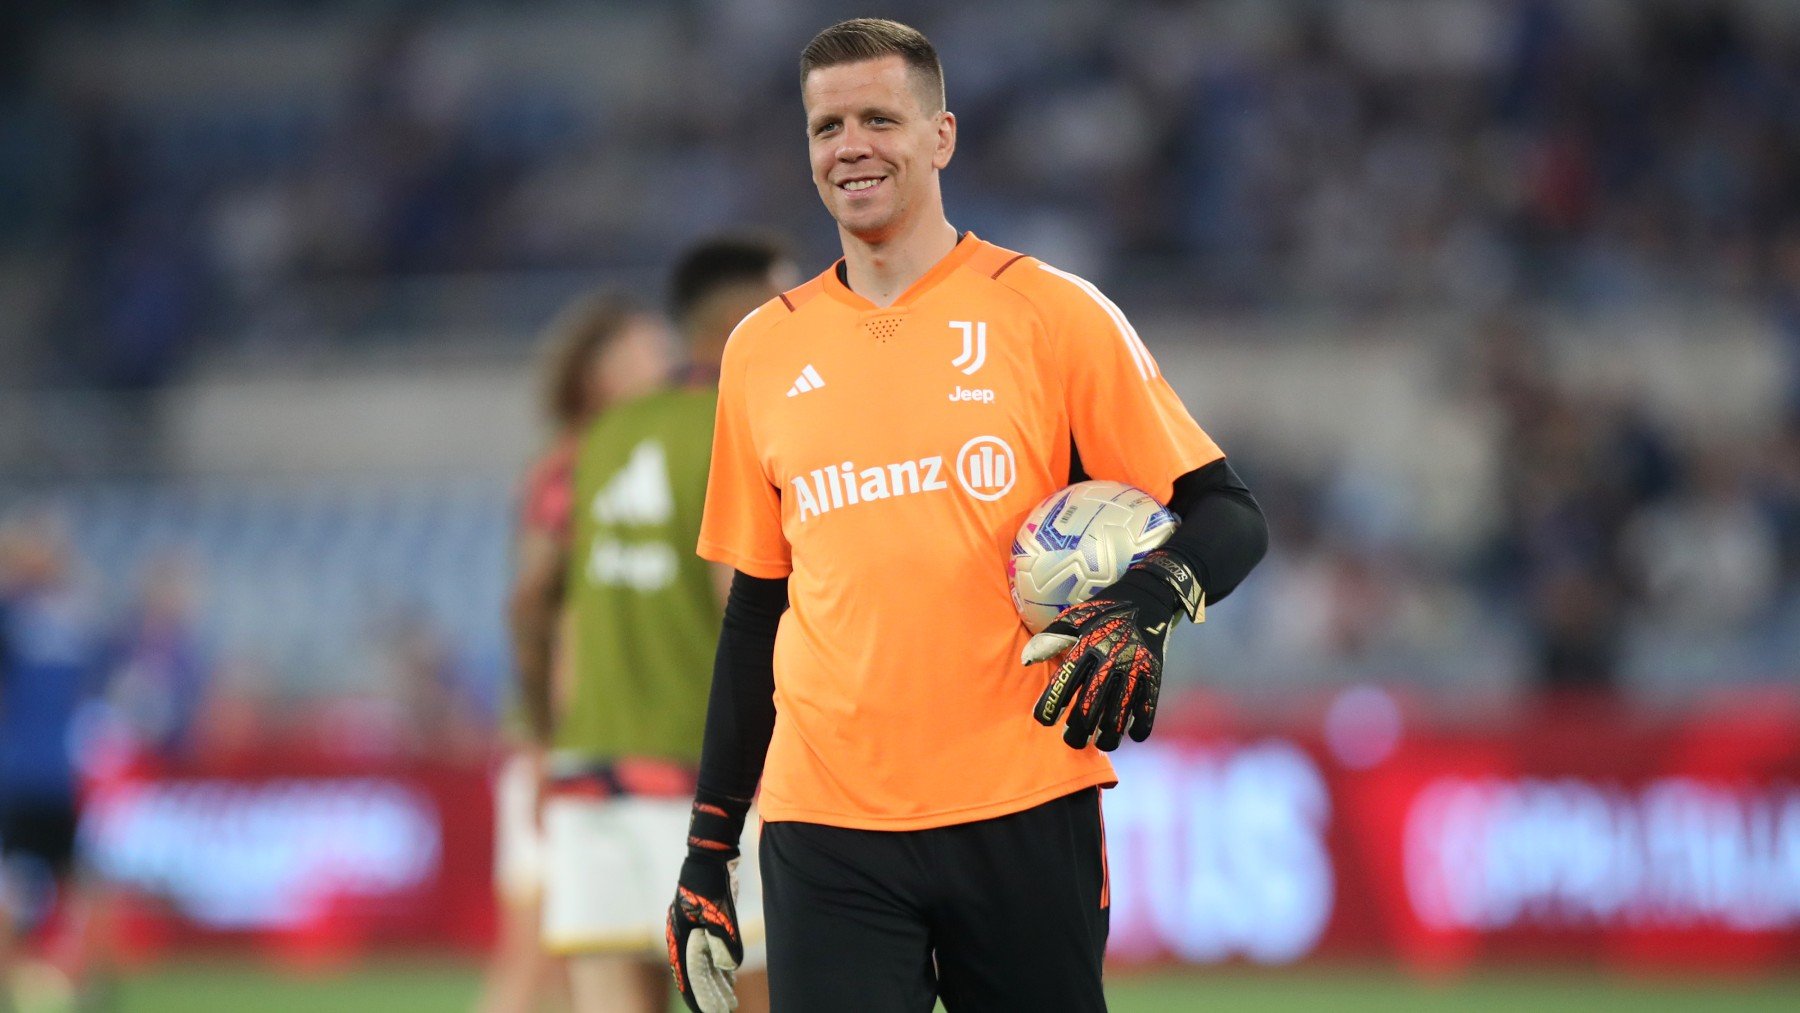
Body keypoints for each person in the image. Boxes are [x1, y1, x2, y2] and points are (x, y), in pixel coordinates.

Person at [664, 19, 1268, 1012]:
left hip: (1023, 800)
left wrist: (1142, 604)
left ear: (941, 135)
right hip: (828, 822)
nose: (849, 145)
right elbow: (754, 615)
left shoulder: (1052, 312)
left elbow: (1227, 515)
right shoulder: (759, 352)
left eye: (877, 118)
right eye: (826, 127)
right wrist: (708, 849)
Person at [542, 239, 795, 1013]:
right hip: (702, 779)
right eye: (785, 302)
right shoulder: (736, 425)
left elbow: (560, 616)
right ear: (738, 319)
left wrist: (551, 741)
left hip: (590, 774)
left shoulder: (600, 438)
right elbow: (742, 603)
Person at [477, 290, 669, 1013]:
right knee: (532, 967)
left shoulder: (632, 459)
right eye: (642, 349)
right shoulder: (576, 471)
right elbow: (540, 611)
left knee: (588, 968)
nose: (664, 361)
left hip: (607, 746)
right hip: (567, 744)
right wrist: (539, 744)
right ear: (598, 374)